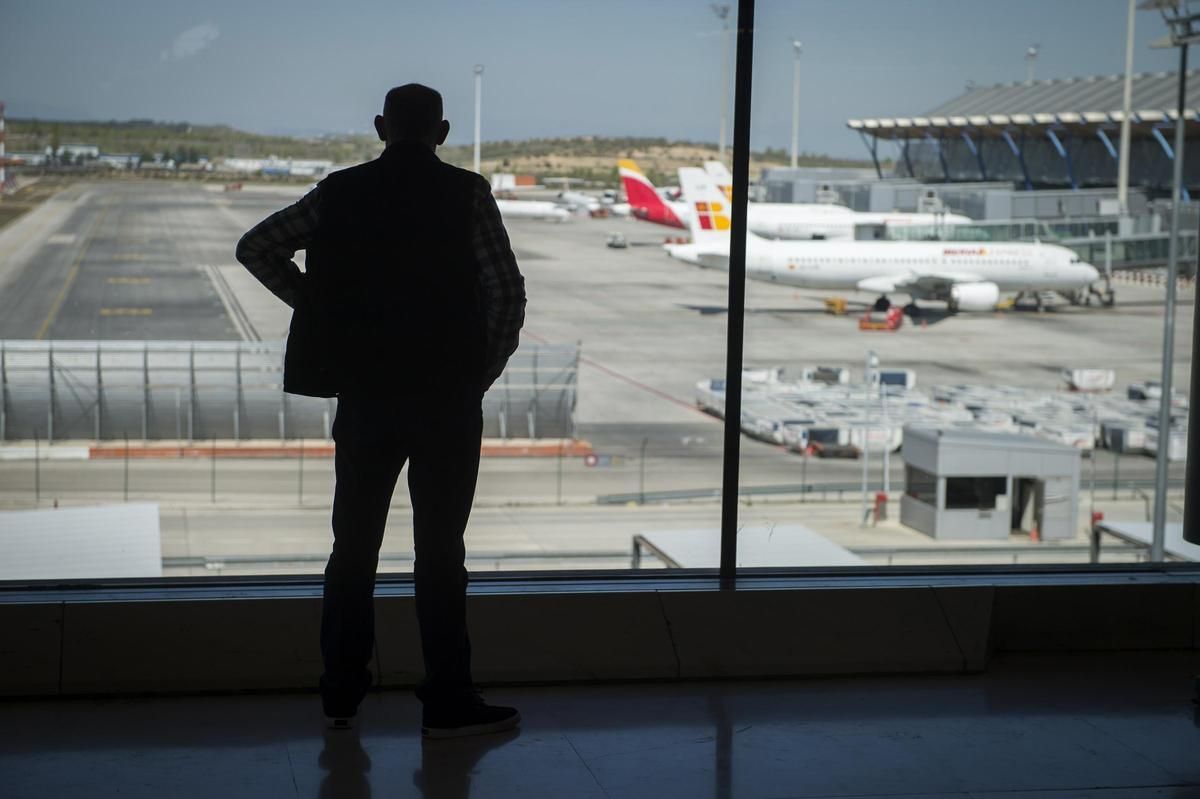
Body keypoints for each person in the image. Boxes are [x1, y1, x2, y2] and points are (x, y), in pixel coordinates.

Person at [236, 83, 526, 738]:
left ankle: (341, 691)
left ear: (380, 127)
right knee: (441, 552)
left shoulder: (339, 193)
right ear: (443, 131)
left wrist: (318, 308)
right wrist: (479, 371)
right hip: (448, 399)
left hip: (366, 396)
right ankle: (448, 696)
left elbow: (256, 247)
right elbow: (505, 292)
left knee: (354, 547)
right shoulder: (467, 195)